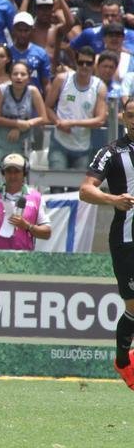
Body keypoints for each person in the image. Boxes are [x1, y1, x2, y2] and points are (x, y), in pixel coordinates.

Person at [82, 103, 134, 388]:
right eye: (131, 115)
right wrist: (113, 199)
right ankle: (123, 361)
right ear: (123, 117)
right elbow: (85, 190)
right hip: (127, 239)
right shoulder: (110, 152)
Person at [0, 153, 51, 250]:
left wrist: (27, 226)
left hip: (24, 257)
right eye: (8, 171)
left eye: (17, 171)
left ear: (24, 173)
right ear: (3, 173)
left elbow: (47, 233)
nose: (12, 176)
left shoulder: (36, 197)